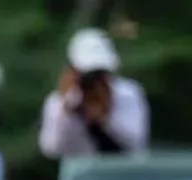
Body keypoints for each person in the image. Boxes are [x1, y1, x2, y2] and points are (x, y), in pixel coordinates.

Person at [38, 28, 150, 158]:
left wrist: (105, 119)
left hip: (124, 173)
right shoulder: (58, 101)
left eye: (100, 73)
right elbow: (51, 149)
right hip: (84, 174)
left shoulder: (128, 93)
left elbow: (136, 141)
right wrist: (67, 113)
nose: (96, 82)